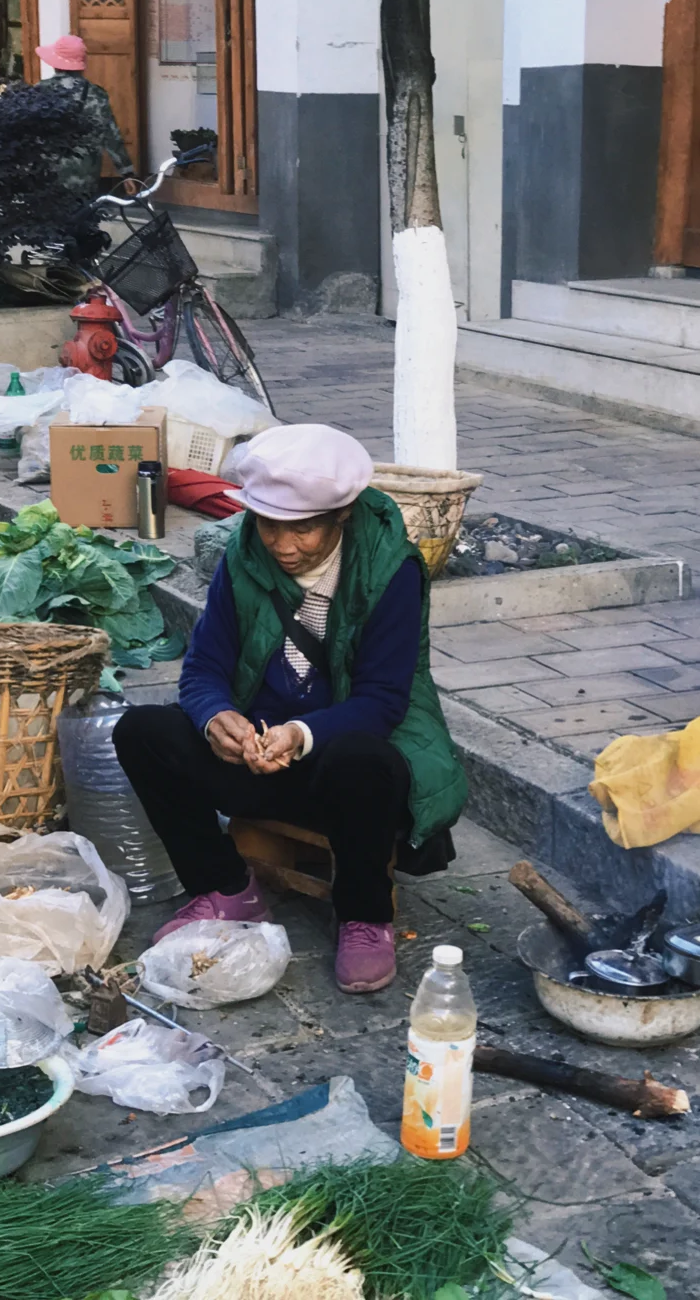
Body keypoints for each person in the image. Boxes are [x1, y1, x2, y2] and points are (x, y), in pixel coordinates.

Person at [113, 425, 468, 994]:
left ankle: (364, 917)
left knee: (362, 759)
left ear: (341, 517)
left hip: (343, 778)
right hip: (259, 760)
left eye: (301, 529)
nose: (281, 544)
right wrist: (214, 719)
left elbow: (382, 700)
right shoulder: (242, 558)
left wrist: (300, 734)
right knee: (141, 730)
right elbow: (204, 667)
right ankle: (227, 888)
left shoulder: (392, 571)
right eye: (269, 524)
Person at [34, 34, 134, 200]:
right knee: (83, 218)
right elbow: (111, 137)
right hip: (85, 175)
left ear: (55, 63)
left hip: (48, 173)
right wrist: (126, 172)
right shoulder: (96, 94)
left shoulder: (40, 90)